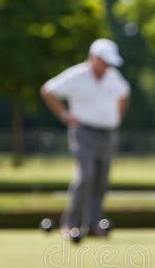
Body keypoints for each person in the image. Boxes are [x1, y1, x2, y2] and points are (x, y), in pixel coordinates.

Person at [40, 38, 130, 239]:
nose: (106, 66)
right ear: (94, 57)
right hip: (84, 132)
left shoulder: (113, 76)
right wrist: (64, 115)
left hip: (108, 133)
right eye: (104, 61)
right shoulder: (77, 75)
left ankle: (93, 225)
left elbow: (125, 93)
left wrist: (117, 117)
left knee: (101, 180)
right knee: (86, 175)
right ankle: (70, 223)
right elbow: (48, 90)